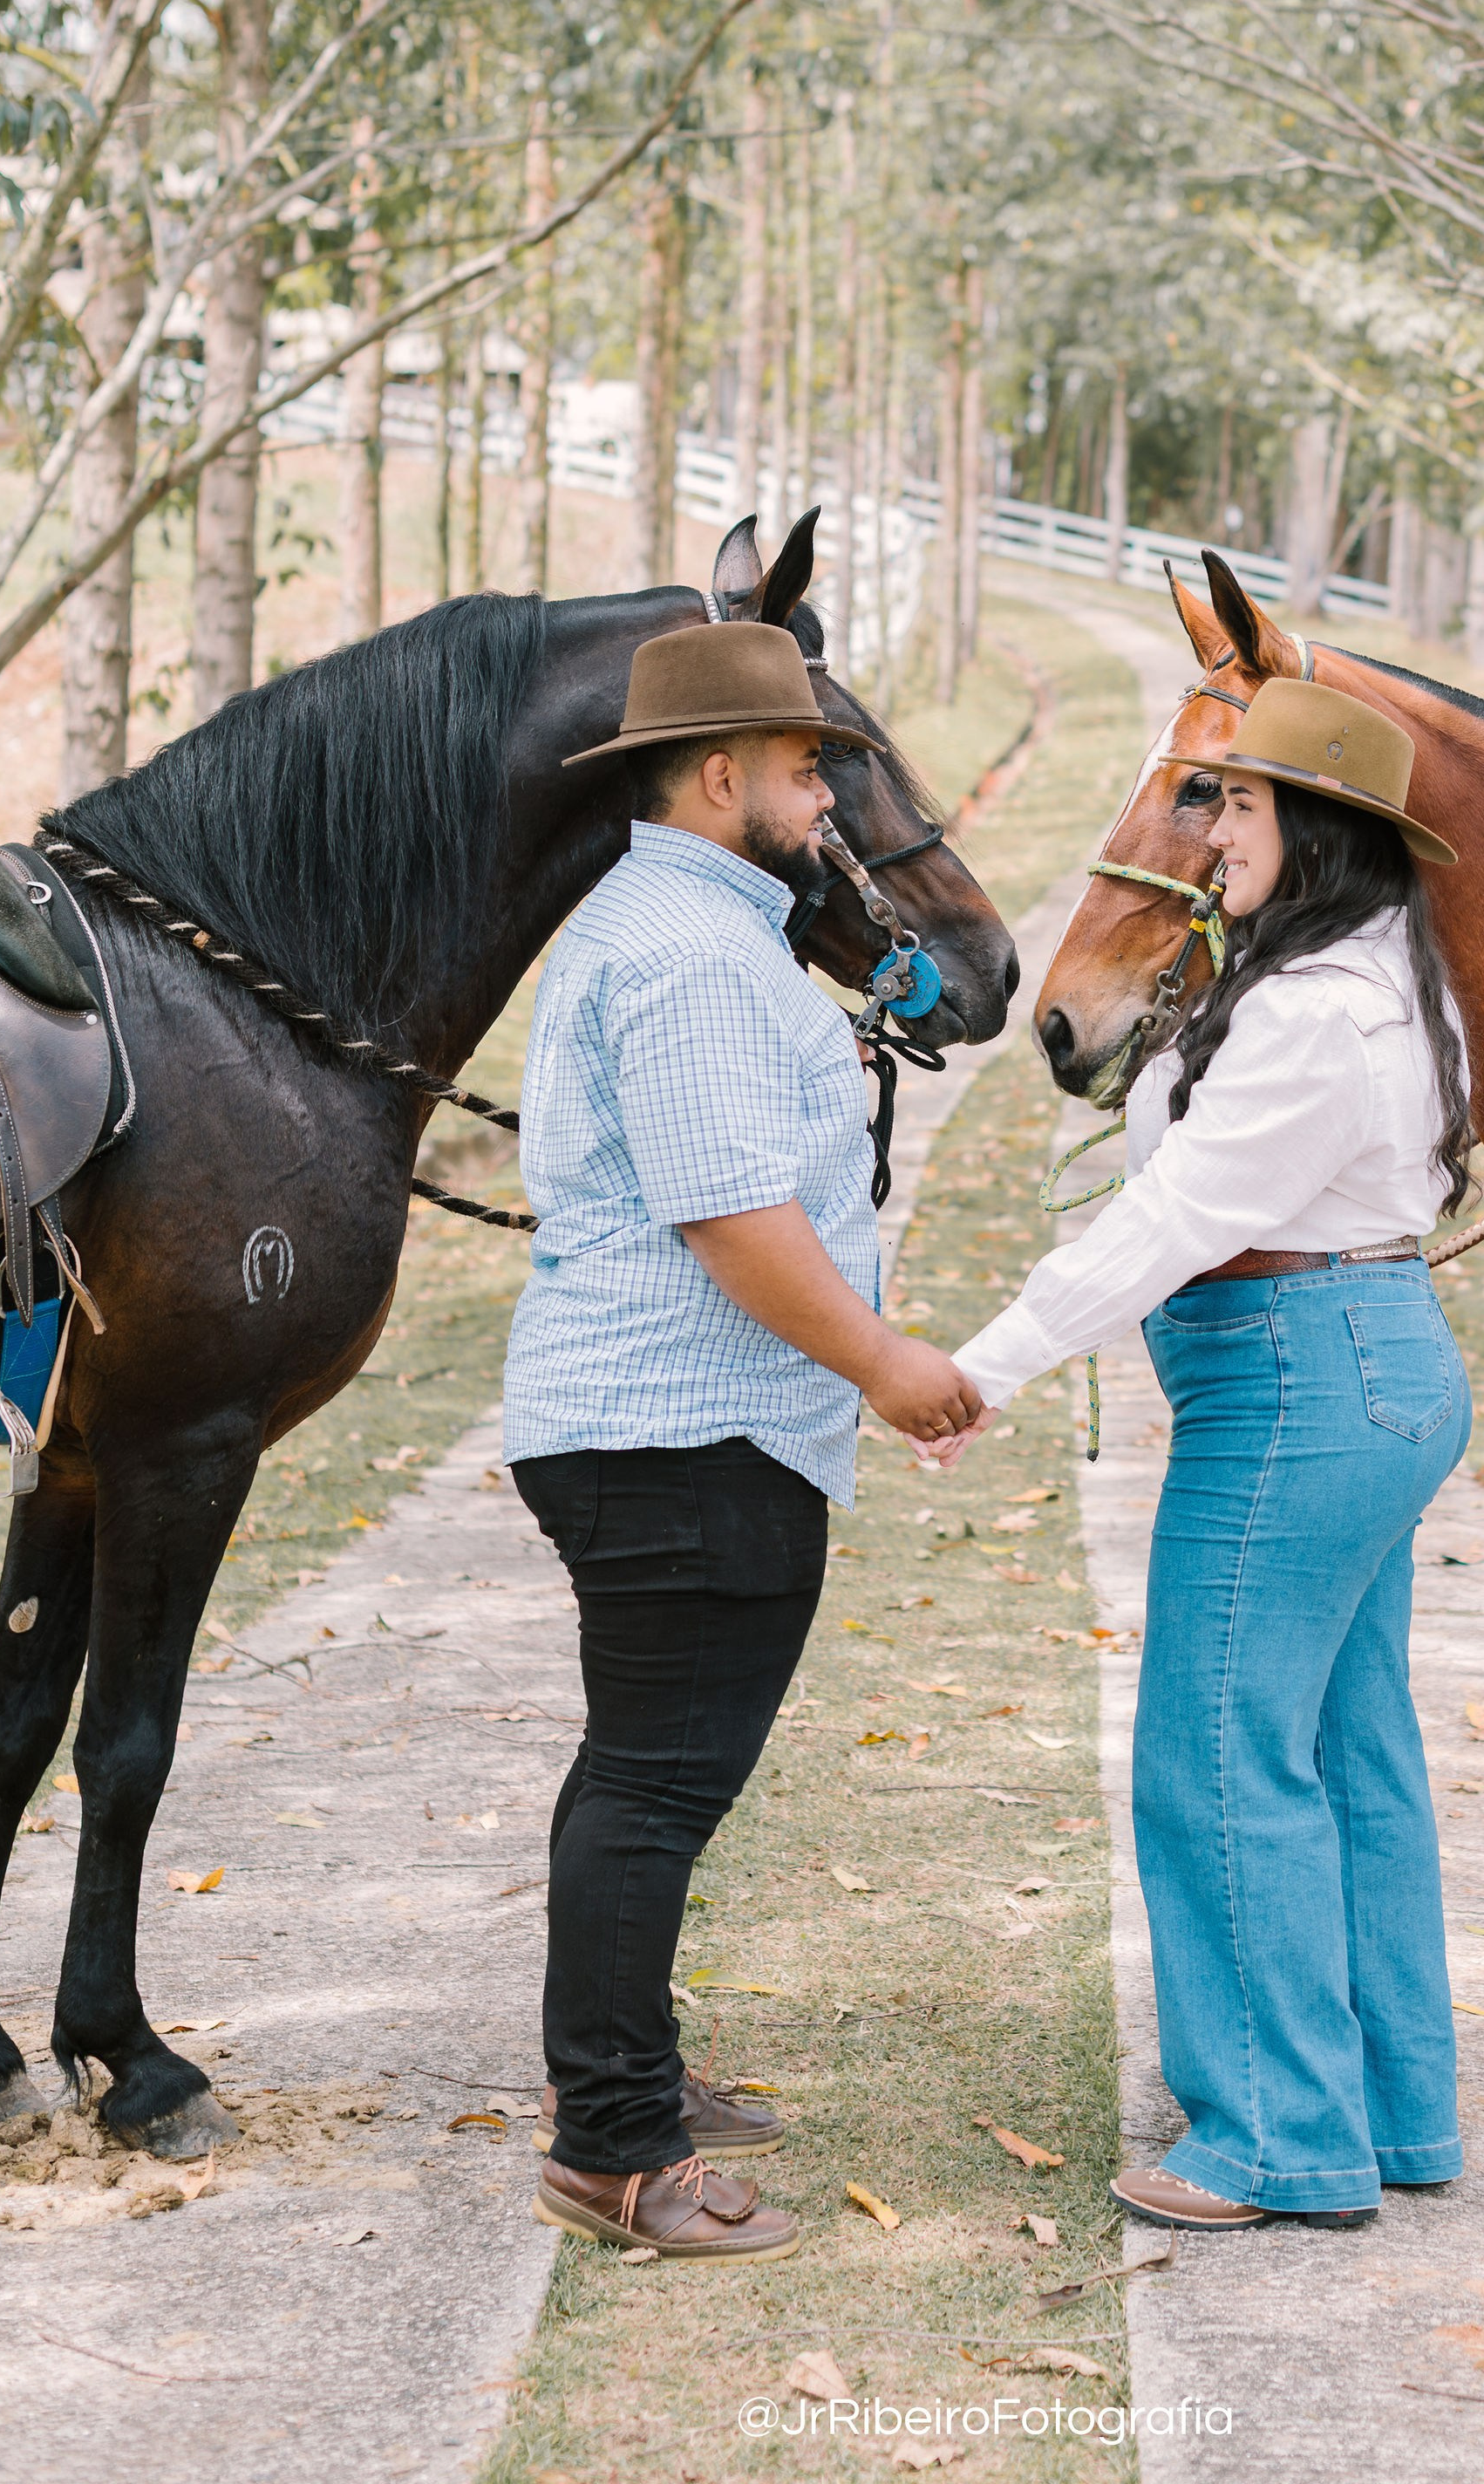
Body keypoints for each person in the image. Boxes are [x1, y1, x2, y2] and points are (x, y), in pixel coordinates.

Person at [926, 678, 1474, 2231]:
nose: (1213, 832)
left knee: (1219, 1755)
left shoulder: (1309, 1015)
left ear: (1322, 832)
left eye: (1240, 805)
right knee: (1350, 1756)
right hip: (1360, 1366)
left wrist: (981, 1366)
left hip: (1297, 1388)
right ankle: (1388, 2109)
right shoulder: (1378, 974)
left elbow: (1172, 1217)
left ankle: (1275, 2136)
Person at [505, 622, 984, 2262]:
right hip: (680, 1430)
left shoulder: (684, 927)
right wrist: (886, 1364)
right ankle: (614, 2152)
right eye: (804, 767)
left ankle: (621, 2069)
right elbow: (729, 1214)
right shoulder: (694, 955)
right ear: (720, 777)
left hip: (669, 1422)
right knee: (654, 1785)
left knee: (640, 1771)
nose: (826, 796)